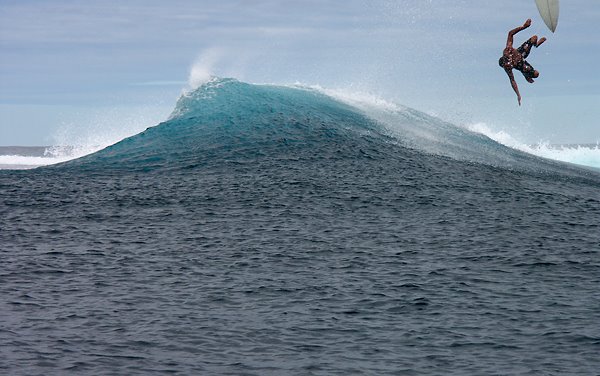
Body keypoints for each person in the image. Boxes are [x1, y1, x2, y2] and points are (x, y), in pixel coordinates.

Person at [498, 19, 546, 105]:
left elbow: (510, 33)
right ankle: (525, 75)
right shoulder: (507, 66)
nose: (509, 60)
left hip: (521, 52)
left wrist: (524, 26)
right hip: (522, 65)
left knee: (534, 38)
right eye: (507, 62)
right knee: (536, 74)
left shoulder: (507, 50)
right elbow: (512, 81)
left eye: (507, 58)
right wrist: (518, 95)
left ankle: (536, 45)